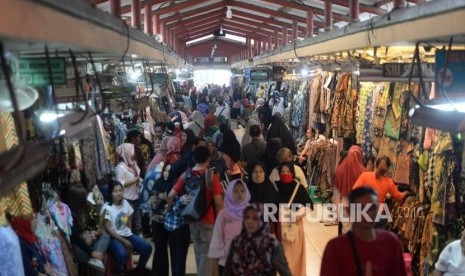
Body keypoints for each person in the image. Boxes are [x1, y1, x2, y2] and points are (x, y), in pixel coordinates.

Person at [320, 187, 407, 276]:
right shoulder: (336, 248)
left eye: (372, 208)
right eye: (361, 208)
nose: (368, 214)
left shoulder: (391, 243)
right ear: (349, 211)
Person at [167, 146, 224, 275]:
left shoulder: (186, 174)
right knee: (207, 257)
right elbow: (219, 204)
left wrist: (170, 209)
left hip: (191, 219)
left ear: (193, 158)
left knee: (199, 254)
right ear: (209, 159)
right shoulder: (211, 177)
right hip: (208, 222)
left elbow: (171, 195)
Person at [223, 203, 292, 276]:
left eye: (255, 218)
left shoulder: (271, 244)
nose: (250, 222)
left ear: (262, 220)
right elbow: (228, 271)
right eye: (247, 218)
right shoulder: (237, 242)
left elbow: (285, 272)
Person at [102, 181, 152, 274]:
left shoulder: (125, 203)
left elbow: (129, 218)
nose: (119, 193)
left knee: (147, 248)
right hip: (113, 238)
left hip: (127, 234)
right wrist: (124, 241)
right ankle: (117, 272)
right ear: (110, 193)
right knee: (122, 255)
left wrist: (130, 232)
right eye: (115, 191)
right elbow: (109, 229)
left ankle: (138, 271)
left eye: (120, 190)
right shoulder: (106, 208)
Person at [275, 161, 312, 276]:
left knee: (294, 259)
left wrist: (295, 216)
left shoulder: (298, 188)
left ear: (293, 172)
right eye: (282, 172)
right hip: (278, 228)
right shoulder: (274, 186)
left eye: (288, 171)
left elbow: (309, 206)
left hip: (294, 229)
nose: (285, 174)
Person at [208, 179, 251, 276]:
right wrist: (214, 267)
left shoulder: (252, 213)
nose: (239, 194)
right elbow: (217, 239)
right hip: (226, 262)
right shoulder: (223, 214)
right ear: (229, 193)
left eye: (242, 191)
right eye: (235, 191)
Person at [67, 184, 109, 272]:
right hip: (77, 248)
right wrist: (92, 252)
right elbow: (74, 239)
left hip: (85, 240)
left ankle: (96, 260)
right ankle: (96, 258)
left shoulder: (83, 209)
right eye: (83, 198)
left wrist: (91, 232)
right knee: (101, 257)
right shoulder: (69, 214)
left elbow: (85, 230)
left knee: (105, 235)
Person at [333, 146, 366, 232]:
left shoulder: (340, 170)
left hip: (344, 206)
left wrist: (335, 213)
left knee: (345, 232)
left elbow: (336, 194)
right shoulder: (364, 171)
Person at [247, 162, 281, 240]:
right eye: (255, 172)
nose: (258, 174)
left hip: (268, 232)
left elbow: (277, 218)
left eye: (261, 171)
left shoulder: (272, 191)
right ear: (251, 174)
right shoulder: (245, 191)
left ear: (265, 173)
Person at [114, 143, 143, 235]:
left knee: (137, 222)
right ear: (125, 152)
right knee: (129, 223)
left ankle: (138, 243)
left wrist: (139, 180)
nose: (133, 152)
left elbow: (138, 176)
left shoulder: (132, 164)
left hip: (136, 197)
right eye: (131, 150)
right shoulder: (120, 167)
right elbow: (120, 184)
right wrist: (135, 180)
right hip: (127, 198)